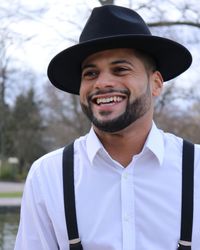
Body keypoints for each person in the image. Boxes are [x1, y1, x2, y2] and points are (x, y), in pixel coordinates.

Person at [14, 5, 200, 250]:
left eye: (120, 69)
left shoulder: (197, 170)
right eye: (90, 73)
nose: (102, 83)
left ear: (155, 83)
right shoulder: (48, 175)